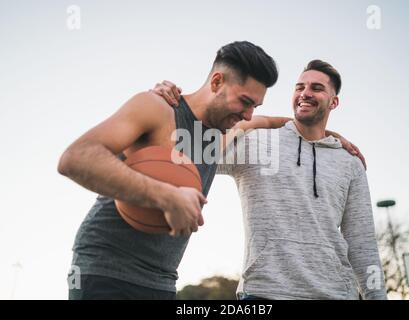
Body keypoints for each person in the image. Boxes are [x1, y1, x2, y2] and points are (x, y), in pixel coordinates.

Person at [57, 41, 279, 299]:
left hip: (162, 280)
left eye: (255, 106)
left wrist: (327, 136)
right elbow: (75, 158)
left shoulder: (221, 136)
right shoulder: (158, 107)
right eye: (245, 102)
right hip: (106, 268)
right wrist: (167, 196)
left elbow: (267, 122)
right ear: (217, 82)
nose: (249, 115)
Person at [154, 60, 387, 299]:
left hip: (335, 293)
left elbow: (362, 244)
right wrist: (169, 105)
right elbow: (184, 148)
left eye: (316, 88)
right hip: (264, 292)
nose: (305, 93)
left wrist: (377, 296)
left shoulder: (349, 161)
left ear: (333, 101)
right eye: (299, 87)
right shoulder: (257, 143)